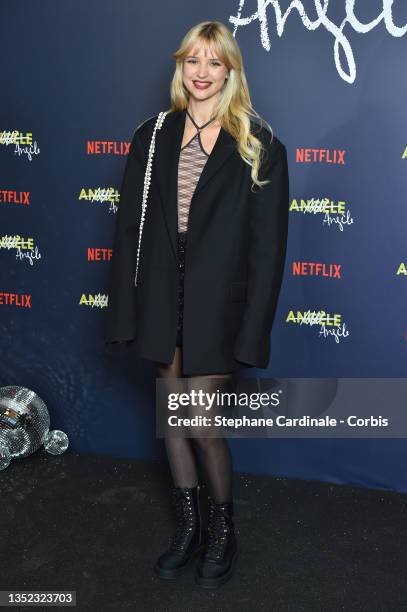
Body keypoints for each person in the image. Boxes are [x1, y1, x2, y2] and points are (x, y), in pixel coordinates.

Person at [105, 21, 289, 589]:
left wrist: (253, 331)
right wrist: (126, 310)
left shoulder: (259, 144)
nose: (202, 73)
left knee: (201, 422)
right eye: (193, 62)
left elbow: (268, 253)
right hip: (164, 299)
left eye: (214, 63)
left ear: (231, 70)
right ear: (181, 67)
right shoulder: (153, 135)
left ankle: (222, 532)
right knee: (172, 422)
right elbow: (129, 232)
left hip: (219, 308)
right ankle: (188, 530)